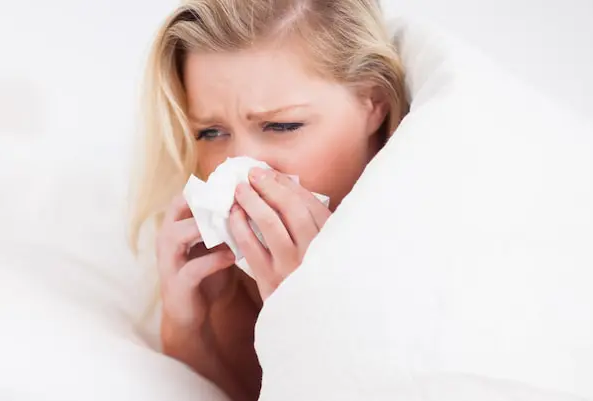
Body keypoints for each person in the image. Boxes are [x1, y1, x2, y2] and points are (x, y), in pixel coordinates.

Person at [128, 0, 409, 399]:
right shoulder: (228, 277)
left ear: (373, 102)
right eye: (211, 133)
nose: (240, 165)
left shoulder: (432, 248)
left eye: (281, 125)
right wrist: (187, 331)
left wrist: (316, 315)